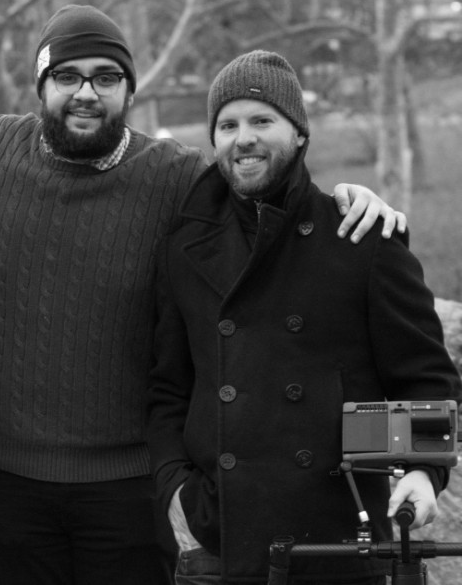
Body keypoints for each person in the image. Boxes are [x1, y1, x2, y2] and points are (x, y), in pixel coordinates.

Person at [0, 5, 404, 585]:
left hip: (125, 484)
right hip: (1, 481)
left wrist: (349, 199)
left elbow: (263, 190)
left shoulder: (175, 177)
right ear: (42, 86)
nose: (85, 93)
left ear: (127, 89)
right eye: (66, 76)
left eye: (105, 77)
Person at [147, 50, 462, 584]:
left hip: (338, 540)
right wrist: (178, 492)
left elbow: (427, 376)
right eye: (227, 125)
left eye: (262, 120)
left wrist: (424, 472)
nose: (242, 138)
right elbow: (166, 390)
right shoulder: (185, 249)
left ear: (299, 134)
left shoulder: (361, 239)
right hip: (220, 541)